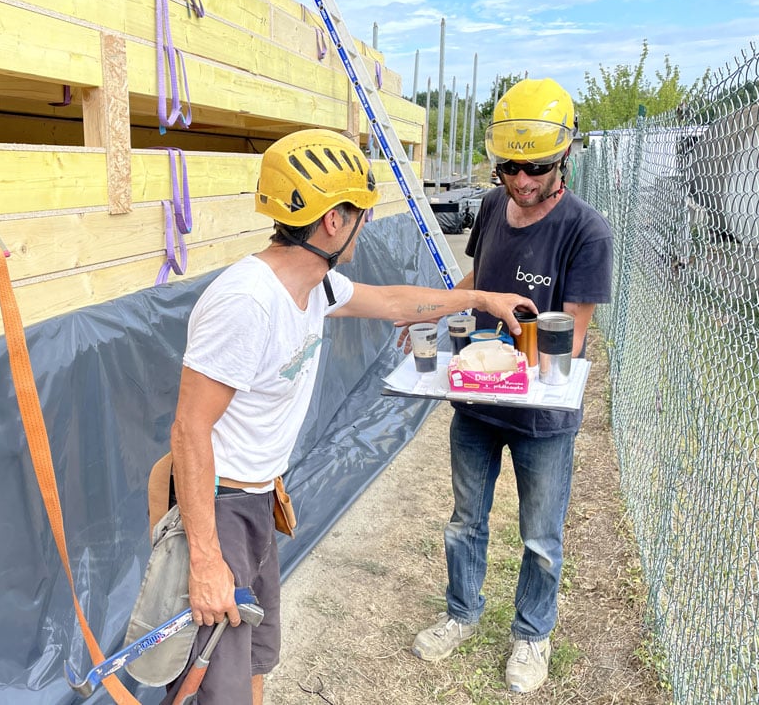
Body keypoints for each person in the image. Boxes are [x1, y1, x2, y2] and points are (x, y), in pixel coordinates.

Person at [164, 128, 537, 704]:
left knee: (256, 658)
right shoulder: (246, 302)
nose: (365, 224)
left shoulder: (314, 284)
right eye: (360, 213)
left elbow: (390, 303)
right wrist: (206, 558)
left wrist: (479, 299)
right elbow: (189, 430)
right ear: (332, 220)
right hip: (219, 506)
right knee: (216, 684)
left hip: (258, 497)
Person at [409, 78, 613, 694]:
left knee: (540, 537)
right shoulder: (495, 206)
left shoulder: (587, 232)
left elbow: (570, 338)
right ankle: (461, 614)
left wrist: (502, 362)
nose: (520, 181)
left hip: (539, 417)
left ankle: (531, 635)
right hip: (477, 400)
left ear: (564, 159)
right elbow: (479, 275)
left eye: (536, 168)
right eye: (508, 167)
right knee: (465, 519)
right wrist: (443, 312)